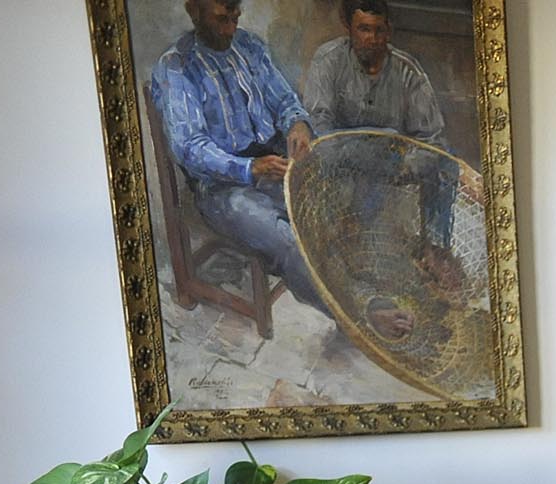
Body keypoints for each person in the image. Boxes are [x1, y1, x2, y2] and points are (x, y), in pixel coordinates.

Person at [149, 0, 331, 321]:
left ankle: (353, 289)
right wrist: (249, 169)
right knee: (284, 238)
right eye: (221, 19)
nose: (230, 28)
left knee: (326, 202)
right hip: (221, 187)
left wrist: (297, 123)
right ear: (194, 11)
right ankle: (344, 313)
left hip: (269, 161)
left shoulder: (249, 46)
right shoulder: (177, 66)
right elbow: (189, 148)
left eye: (235, 17)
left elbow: (285, 100)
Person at [300, 0, 448, 146]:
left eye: (379, 30)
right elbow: (318, 124)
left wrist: (408, 166)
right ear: (349, 28)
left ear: (388, 31)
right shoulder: (328, 60)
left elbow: (430, 138)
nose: (373, 39)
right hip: (340, 160)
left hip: (396, 164)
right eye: (364, 29)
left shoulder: (408, 72)